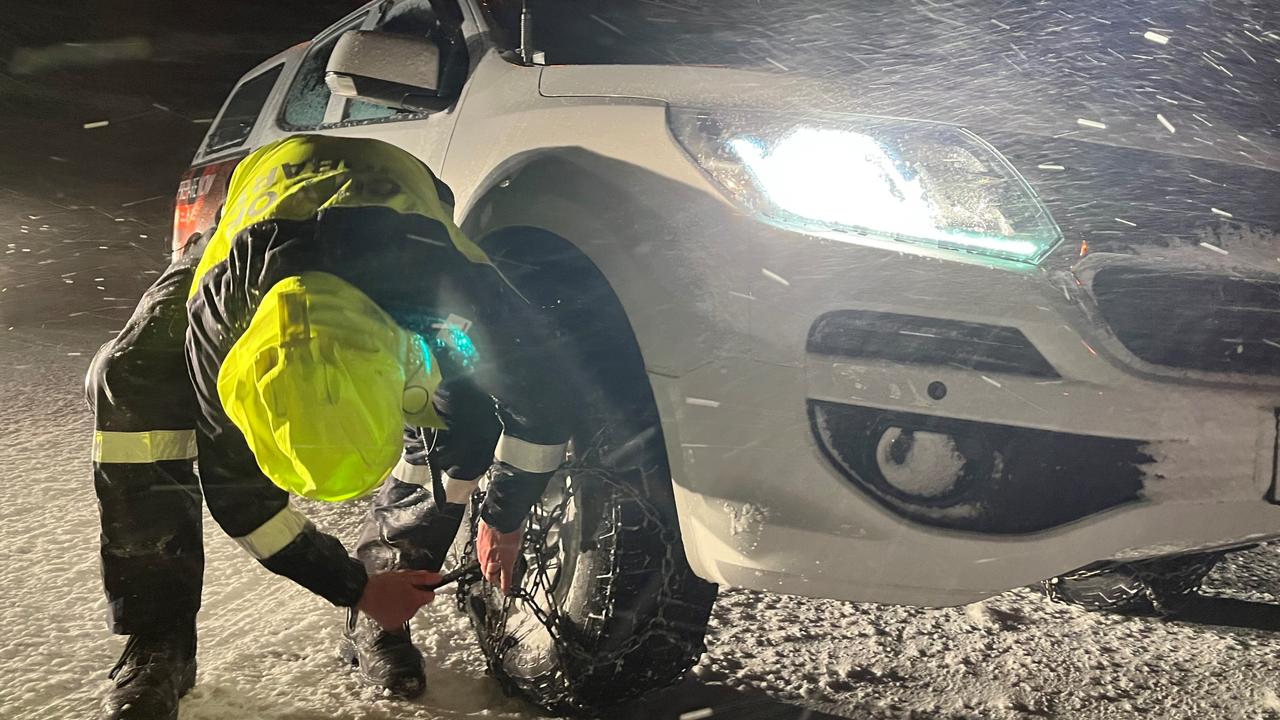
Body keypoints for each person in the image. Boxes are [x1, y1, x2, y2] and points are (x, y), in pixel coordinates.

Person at [86, 134, 572, 720]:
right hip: (253, 213)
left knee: (454, 434)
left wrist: (504, 515)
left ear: (402, 370)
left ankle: (384, 607)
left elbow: (541, 403)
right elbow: (241, 498)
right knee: (134, 382)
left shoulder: (459, 302)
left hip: (400, 207)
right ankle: (159, 639)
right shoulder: (220, 324)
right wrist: (352, 585)